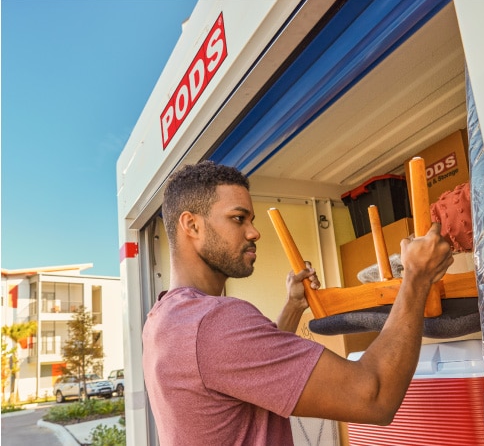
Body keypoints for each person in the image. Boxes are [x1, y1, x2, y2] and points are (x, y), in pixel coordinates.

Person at [142, 160, 454, 445]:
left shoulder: (164, 318)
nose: (254, 232)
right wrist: (416, 279)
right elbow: (374, 397)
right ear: (192, 225)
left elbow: (248, 371)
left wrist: (293, 307)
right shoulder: (214, 322)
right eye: (238, 219)